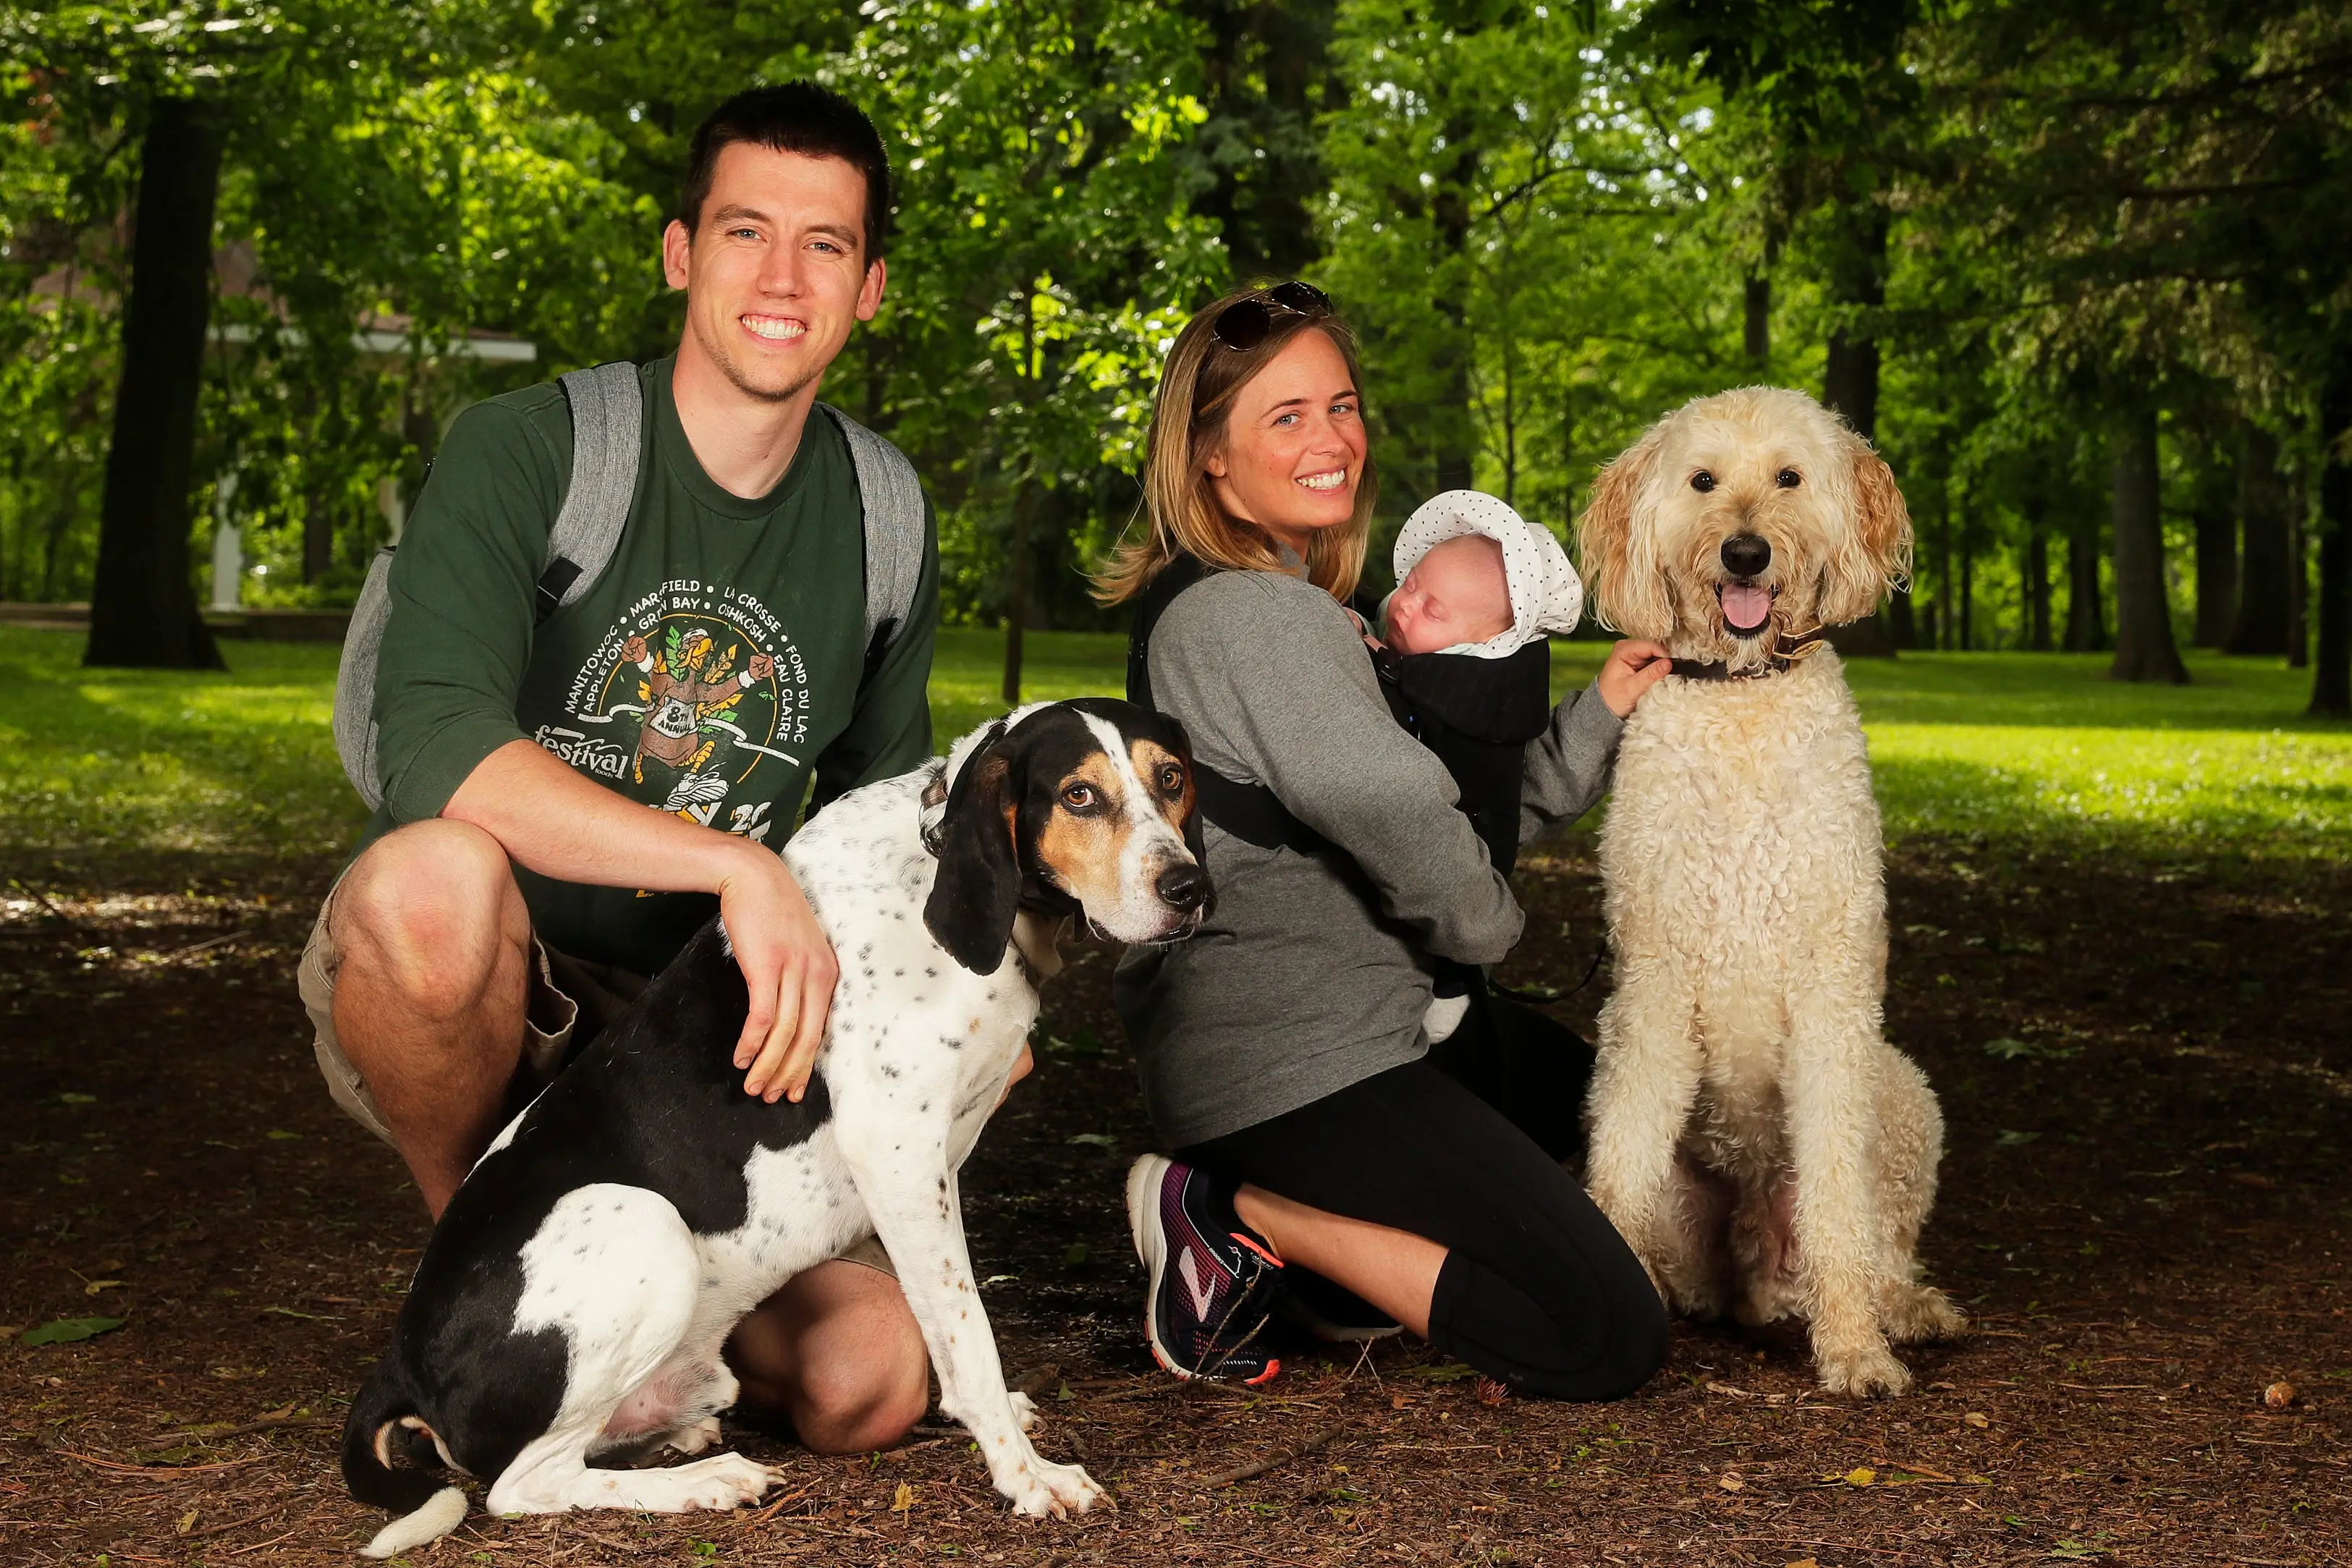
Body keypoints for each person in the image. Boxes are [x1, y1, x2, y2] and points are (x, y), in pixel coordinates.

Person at [297, 83, 947, 1454]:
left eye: (825, 245)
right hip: (503, 976)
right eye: (745, 231)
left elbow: (888, 833)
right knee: (429, 887)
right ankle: (485, 1297)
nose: (781, 278)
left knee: (871, 1383)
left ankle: (645, 1349)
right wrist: (733, 860)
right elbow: (435, 753)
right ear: (679, 253)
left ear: (873, 286)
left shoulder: (884, 514)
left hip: (696, 1041)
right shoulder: (533, 448)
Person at [1099, 281, 1675, 1396]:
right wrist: (1486, 923)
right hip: (1297, 1059)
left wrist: (1600, 706)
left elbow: (1454, 803)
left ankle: (1325, 1271)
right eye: (1286, 416)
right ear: (1209, 452)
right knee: (1606, 1332)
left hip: (1337, 1023)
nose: (1332, 441)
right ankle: (1225, 1207)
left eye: (1342, 405)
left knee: (1586, 1093)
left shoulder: (1280, 604)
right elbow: (1401, 816)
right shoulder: (1255, 617)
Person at [1366, 490, 1590, 1048]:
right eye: (1412, 584)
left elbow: (1406, 688)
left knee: (1451, 908)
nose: (1405, 606)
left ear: (1485, 644)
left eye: (1433, 609)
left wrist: (1372, 653)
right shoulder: (1447, 648)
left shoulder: (1474, 692)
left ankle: (1452, 985)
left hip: (1472, 841)